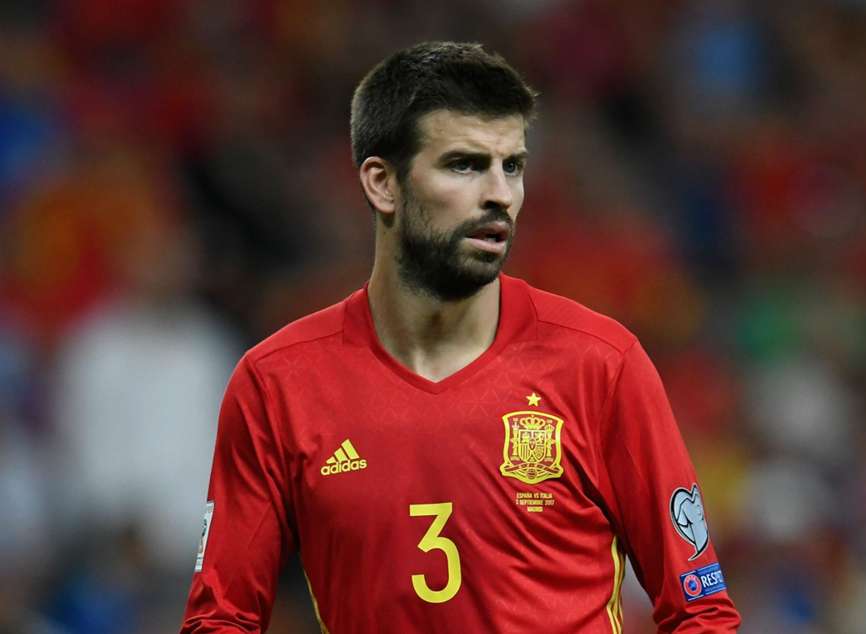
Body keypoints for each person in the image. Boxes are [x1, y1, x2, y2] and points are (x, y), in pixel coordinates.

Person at [181, 41, 741, 633]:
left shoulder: (601, 365)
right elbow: (220, 619)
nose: (499, 193)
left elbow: (700, 611)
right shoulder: (278, 384)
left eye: (512, 166)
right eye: (465, 165)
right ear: (382, 184)